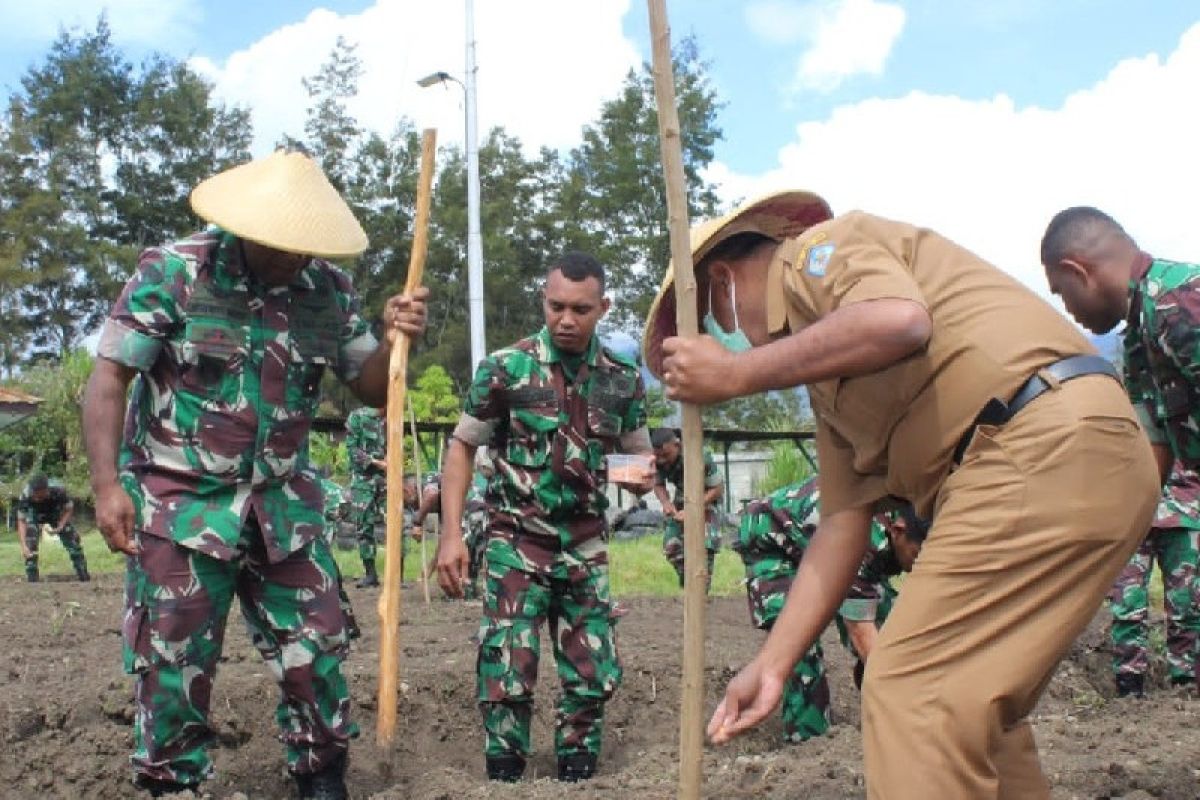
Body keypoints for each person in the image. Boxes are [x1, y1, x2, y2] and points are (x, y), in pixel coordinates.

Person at [643, 192, 1158, 798]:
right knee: (972, 707)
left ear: (725, 280)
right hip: (1074, 459)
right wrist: (774, 664)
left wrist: (736, 375)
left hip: (1038, 444)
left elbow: (898, 321)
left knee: (912, 689)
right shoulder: (828, 382)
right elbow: (841, 526)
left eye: (716, 323)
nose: (732, 342)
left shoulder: (818, 254)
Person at [81, 149, 428, 799]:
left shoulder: (327, 290)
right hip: (180, 505)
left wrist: (393, 338)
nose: (297, 257)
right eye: (285, 246)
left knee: (317, 653)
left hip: (282, 508)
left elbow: (374, 388)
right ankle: (172, 783)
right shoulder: (177, 271)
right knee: (174, 663)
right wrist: (107, 488)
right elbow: (109, 378)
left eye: (308, 246)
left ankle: (321, 777)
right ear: (250, 228)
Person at [434, 251, 655, 784]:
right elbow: (462, 447)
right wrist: (450, 535)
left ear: (602, 308)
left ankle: (579, 768)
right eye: (556, 306)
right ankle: (504, 771)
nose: (566, 320)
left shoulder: (623, 379)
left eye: (581, 309)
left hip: (584, 541)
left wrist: (634, 472)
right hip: (516, 537)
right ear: (544, 300)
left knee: (590, 667)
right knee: (508, 661)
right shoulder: (506, 369)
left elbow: (638, 458)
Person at [734, 477, 926, 742]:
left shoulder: (910, 513)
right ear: (898, 530)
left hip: (823, 541)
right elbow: (860, 631)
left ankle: (882, 712)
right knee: (799, 646)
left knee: (893, 629)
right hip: (771, 543)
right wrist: (904, 702)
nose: (919, 566)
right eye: (917, 555)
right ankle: (808, 742)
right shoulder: (865, 540)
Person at [1108, 462, 1200, 697]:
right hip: (1129, 509)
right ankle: (1129, 685)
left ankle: (1186, 683)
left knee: (1187, 603)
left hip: (1184, 508)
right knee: (1127, 603)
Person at [650, 427, 724, 590]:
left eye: (666, 455)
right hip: (682, 497)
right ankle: (690, 587)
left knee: (705, 547)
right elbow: (657, 482)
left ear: (677, 445)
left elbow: (717, 489)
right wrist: (666, 503)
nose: (662, 460)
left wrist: (694, 510)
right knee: (672, 546)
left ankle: (701, 594)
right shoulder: (656, 459)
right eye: (658, 456)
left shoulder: (699, 455)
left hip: (706, 498)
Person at [16, 473, 89, 582]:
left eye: (39, 496)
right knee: (30, 540)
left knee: (72, 539)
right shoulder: (26, 495)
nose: (36, 498)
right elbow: (21, 521)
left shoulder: (59, 490)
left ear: (47, 490)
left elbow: (69, 508)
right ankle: (32, 579)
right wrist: (23, 546)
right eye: (34, 496)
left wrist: (61, 525)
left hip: (55, 512)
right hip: (34, 514)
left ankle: (83, 574)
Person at [345, 406, 386, 588]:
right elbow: (353, 451)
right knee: (364, 526)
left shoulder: (393, 418)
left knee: (397, 523)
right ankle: (371, 574)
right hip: (364, 479)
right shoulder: (358, 417)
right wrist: (377, 462)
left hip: (387, 479)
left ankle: (397, 576)